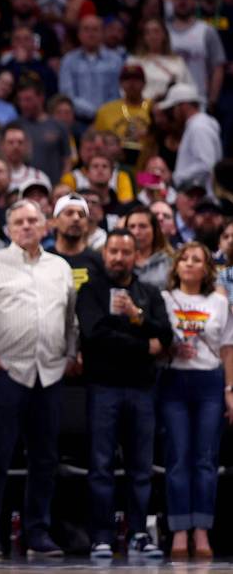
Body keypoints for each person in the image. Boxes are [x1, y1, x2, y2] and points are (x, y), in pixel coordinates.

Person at [0, 199, 76, 558]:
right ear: (8, 228)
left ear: (46, 226)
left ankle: (38, 532)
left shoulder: (60, 267)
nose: (27, 226)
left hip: (49, 372)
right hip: (6, 372)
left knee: (45, 458)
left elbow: (70, 318)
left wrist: (70, 355)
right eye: (20, 221)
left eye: (33, 220)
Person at [75, 229, 169, 559]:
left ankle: (139, 532)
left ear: (135, 255)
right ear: (105, 255)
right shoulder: (90, 291)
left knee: (141, 468)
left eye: (125, 252)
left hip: (142, 390)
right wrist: (143, 345)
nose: (118, 258)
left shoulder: (149, 292)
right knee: (100, 465)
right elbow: (94, 334)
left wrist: (136, 316)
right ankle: (101, 534)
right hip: (103, 388)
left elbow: (166, 335)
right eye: (113, 251)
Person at [158, 242, 233, 559]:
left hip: (209, 382)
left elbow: (228, 348)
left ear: (207, 269)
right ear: (176, 268)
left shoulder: (218, 302)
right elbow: (156, 339)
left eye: (197, 260)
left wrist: (230, 390)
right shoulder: (163, 300)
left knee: (204, 459)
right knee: (178, 458)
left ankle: (201, 530)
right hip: (174, 381)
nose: (189, 264)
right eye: (184, 259)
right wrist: (170, 349)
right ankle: (178, 530)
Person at [155, 83, 222, 196]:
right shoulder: (197, 125)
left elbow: (206, 164)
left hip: (202, 197)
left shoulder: (199, 127)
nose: (173, 114)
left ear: (183, 106)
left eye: (173, 109)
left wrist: (175, 177)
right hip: (198, 194)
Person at [47, 194, 104, 292]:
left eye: (81, 215)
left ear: (87, 224)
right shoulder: (44, 259)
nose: (76, 218)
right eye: (69, 213)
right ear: (55, 221)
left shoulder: (99, 261)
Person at [123, 205, 173, 290]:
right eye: (132, 227)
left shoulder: (169, 262)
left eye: (142, 226)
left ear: (154, 230)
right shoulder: (119, 261)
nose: (136, 232)